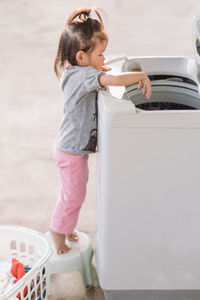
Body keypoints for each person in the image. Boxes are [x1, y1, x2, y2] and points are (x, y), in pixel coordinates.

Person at [50, 7, 152, 254]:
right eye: (101, 54)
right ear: (82, 57)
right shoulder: (82, 77)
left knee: (75, 192)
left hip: (72, 150)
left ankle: (66, 226)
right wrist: (141, 75)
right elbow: (114, 80)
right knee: (73, 196)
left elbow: (104, 76)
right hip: (71, 151)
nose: (104, 59)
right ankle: (57, 234)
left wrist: (99, 68)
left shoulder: (81, 71)